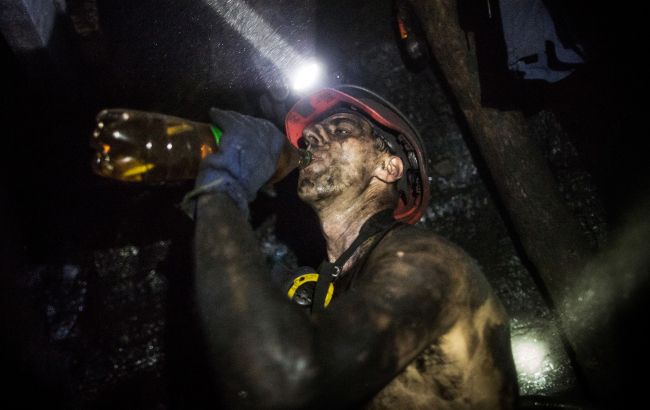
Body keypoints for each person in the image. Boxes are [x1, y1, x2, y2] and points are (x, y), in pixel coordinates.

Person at [182, 86, 518, 409]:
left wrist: (221, 190)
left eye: (341, 130)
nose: (309, 137)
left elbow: (283, 384)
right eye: (307, 138)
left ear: (388, 167)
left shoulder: (429, 261)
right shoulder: (328, 289)